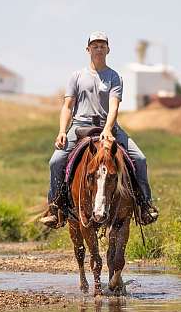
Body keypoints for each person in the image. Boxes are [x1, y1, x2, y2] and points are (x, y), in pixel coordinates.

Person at [40, 31, 158, 228]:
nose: (99, 48)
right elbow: (68, 106)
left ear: (108, 49)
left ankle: (144, 205)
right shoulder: (76, 76)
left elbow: (114, 106)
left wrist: (108, 128)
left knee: (140, 158)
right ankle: (55, 207)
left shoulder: (114, 77)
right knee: (56, 161)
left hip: (108, 126)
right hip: (79, 126)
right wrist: (62, 131)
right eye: (94, 45)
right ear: (88, 50)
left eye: (102, 45)